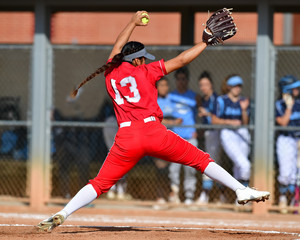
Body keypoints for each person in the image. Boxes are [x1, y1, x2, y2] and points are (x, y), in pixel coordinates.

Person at [37, 11, 270, 232]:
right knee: (201, 160)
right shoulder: (145, 71)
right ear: (136, 60)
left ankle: (63, 213)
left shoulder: (110, 74)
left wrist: (131, 22)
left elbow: (117, 47)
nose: (143, 61)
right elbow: (180, 61)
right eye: (141, 58)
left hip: (126, 137)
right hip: (153, 132)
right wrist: (205, 43)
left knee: (99, 183)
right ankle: (240, 190)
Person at [211, 75, 251, 189]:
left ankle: (239, 199)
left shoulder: (243, 101)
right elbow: (214, 120)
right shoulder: (222, 100)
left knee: (239, 167)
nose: (237, 88)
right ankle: (244, 192)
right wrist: (229, 122)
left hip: (242, 133)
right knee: (245, 165)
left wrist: (244, 110)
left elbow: (245, 123)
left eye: (239, 86)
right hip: (228, 133)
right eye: (234, 86)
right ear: (229, 87)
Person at [167, 67, 200, 205]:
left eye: (184, 79)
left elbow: (200, 115)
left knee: (190, 168)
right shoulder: (170, 96)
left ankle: (189, 195)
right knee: (174, 168)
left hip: (190, 136)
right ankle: (174, 193)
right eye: (179, 79)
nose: (181, 82)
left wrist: (198, 129)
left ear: (187, 80)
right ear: (175, 80)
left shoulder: (194, 96)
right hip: (175, 137)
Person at [153, 77, 182, 209]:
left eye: (166, 85)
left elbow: (179, 116)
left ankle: (172, 194)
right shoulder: (153, 100)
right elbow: (157, 120)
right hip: (158, 137)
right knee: (161, 168)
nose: (164, 88)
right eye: (161, 85)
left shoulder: (172, 99)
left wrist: (175, 122)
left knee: (172, 169)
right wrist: (172, 122)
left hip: (172, 137)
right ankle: (160, 195)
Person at [196, 71, 223, 205]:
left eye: (206, 84)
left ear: (211, 84)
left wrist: (206, 113)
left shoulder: (216, 99)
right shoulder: (204, 99)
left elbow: (217, 119)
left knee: (211, 163)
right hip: (208, 134)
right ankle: (219, 195)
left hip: (216, 133)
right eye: (201, 85)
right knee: (212, 162)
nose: (203, 87)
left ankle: (207, 194)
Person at [275, 75, 300, 213]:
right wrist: (289, 107)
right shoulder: (279, 105)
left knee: (296, 175)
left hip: (299, 141)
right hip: (285, 140)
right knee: (285, 173)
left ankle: (293, 201)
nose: (297, 89)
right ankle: (283, 199)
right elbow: (283, 123)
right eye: (293, 87)